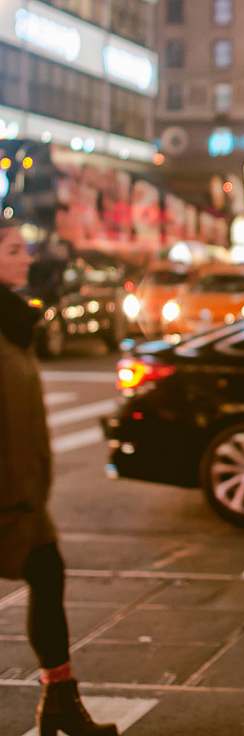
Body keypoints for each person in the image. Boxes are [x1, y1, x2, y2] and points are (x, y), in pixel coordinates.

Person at [0, 222, 119, 736]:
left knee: (48, 576)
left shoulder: (13, 323)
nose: (25, 258)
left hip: (23, 494)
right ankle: (61, 702)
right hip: (5, 495)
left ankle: (61, 700)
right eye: (11, 251)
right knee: (46, 575)